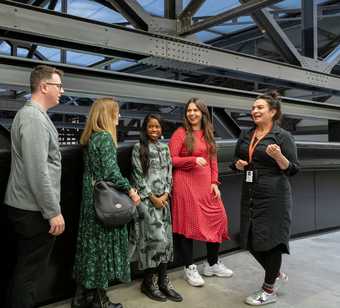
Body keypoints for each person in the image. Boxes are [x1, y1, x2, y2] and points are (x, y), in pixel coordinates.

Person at [4, 65, 66, 308]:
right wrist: (53, 212)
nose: (62, 91)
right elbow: (37, 170)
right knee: (28, 277)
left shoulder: (35, 116)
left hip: (29, 207)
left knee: (26, 273)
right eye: (58, 85)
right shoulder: (33, 118)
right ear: (43, 86)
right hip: (33, 211)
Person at [231, 91, 299, 306]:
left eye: (260, 107)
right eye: (253, 108)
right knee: (248, 238)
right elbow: (236, 160)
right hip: (250, 192)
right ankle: (275, 274)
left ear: (273, 111)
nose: (254, 111)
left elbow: (294, 169)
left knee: (272, 242)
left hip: (275, 196)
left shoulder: (282, 137)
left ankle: (268, 290)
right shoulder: (246, 134)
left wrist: (279, 156)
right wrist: (238, 165)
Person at [72, 98, 140, 308]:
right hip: (103, 205)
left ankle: (81, 298)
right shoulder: (104, 138)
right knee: (101, 252)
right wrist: (130, 190)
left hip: (90, 202)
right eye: (116, 113)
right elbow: (111, 172)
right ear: (107, 115)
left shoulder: (91, 138)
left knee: (90, 251)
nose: (118, 117)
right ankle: (101, 302)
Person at [169, 98, 233, 287]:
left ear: (203, 113)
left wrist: (214, 182)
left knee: (218, 219)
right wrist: (193, 160)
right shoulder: (180, 133)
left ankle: (212, 264)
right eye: (189, 110)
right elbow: (171, 159)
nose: (192, 113)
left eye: (196, 110)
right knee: (188, 226)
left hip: (206, 185)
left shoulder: (207, 133)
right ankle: (189, 268)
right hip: (185, 183)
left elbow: (213, 159)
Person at [129, 114, 183, 302]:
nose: (154, 130)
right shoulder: (138, 148)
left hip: (164, 202)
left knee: (166, 241)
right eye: (151, 127)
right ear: (145, 128)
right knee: (154, 242)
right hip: (148, 203)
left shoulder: (165, 148)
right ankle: (148, 282)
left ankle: (163, 280)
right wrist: (153, 198)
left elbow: (169, 173)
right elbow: (137, 176)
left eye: (157, 127)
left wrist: (166, 194)